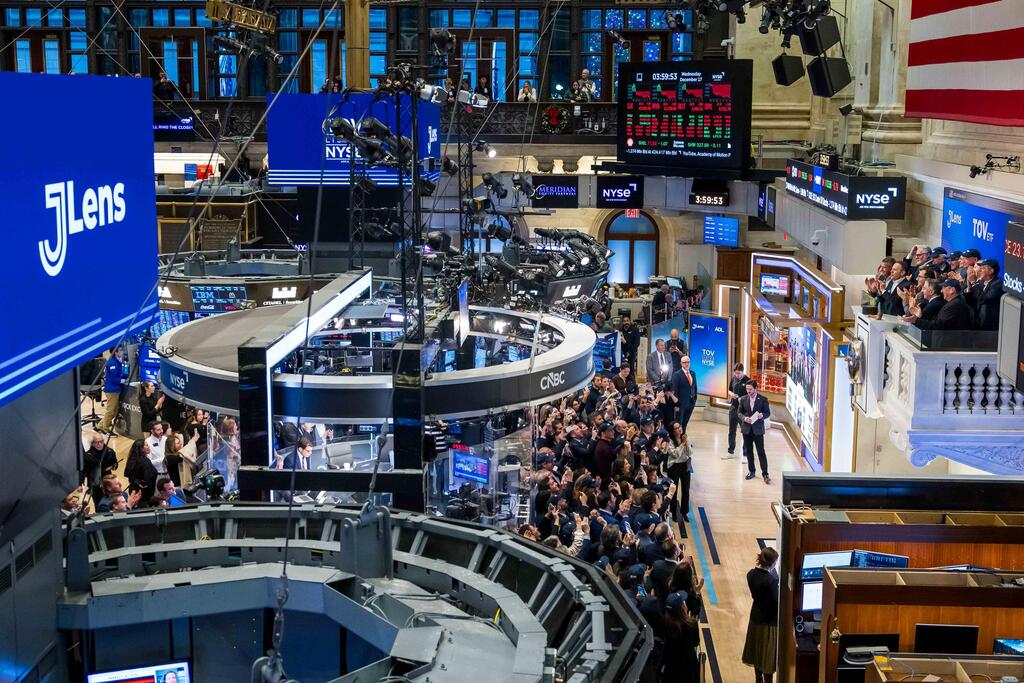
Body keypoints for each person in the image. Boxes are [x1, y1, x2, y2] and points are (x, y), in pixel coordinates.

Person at [743, 547, 780, 683]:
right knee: (767, 656)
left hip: (755, 617)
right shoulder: (771, 581)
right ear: (772, 563)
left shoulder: (751, 574)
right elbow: (776, 603)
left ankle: (758, 679)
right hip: (769, 622)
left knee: (757, 653)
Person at [660, 590, 701, 682]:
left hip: (670, 667)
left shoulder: (664, 622)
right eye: (683, 602)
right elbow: (696, 642)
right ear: (682, 608)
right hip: (688, 667)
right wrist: (689, 618)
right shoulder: (691, 624)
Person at [738, 381, 771, 483]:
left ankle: (765, 474)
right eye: (747, 389)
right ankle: (751, 471)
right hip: (747, 430)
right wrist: (745, 418)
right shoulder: (743, 399)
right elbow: (739, 412)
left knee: (761, 452)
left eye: (750, 389)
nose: (748, 391)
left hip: (758, 430)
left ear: (756, 388)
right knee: (749, 451)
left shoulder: (763, 399)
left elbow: (767, 413)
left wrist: (762, 416)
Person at [964, 258, 1003, 330]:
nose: (980, 270)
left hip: (989, 326)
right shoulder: (980, 282)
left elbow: (984, 299)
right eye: (980, 268)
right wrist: (969, 286)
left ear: (991, 271)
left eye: (983, 268)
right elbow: (971, 302)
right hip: (977, 322)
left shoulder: (998, 284)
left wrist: (973, 282)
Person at [665, 422, 692, 523]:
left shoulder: (685, 438)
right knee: (673, 490)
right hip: (674, 467)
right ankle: (673, 512)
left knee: (686, 490)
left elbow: (690, 453)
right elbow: (676, 454)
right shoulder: (669, 441)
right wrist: (682, 444)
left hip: (685, 465)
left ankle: (684, 512)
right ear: (673, 431)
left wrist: (686, 443)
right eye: (676, 428)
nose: (680, 429)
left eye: (680, 426)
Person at [97, 346, 125, 433]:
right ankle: (105, 429)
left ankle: (100, 425)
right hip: (112, 390)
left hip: (115, 389)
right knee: (111, 411)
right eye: (121, 350)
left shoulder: (117, 361)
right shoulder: (113, 363)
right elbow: (114, 379)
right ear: (115, 352)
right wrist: (123, 380)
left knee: (114, 411)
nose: (122, 352)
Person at [726, 363, 751, 458]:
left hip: (743, 411)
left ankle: (745, 454)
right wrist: (731, 394)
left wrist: (742, 399)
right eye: (735, 373)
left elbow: (751, 395)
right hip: (733, 408)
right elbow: (729, 390)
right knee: (731, 431)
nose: (737, 375)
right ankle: (730, 451)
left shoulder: (748, 381)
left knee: (745, 432)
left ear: (743, 371)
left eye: (739, 373)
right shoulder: (733, 378)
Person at [83, 433, 118, 501]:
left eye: (101, 441)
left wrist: (112, 467)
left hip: (108, 481)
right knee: (98, 502)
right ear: (92, 443)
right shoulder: (87, 456)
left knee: (110, 501)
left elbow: (115, 464)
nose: (100, 444)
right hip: (95, 484)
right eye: (97, 442)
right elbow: (85, 472)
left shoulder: (110, 452)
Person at [671, 356, 698, 433]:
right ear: (681, 363)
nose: (687, 364)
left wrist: (695, 398)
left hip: (691, 402)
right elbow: (674, 390)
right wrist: (676, 404)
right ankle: (677, 438)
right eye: (684, 362)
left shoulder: (693, 373)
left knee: (685, 422)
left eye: (688, 362)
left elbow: (694, 387)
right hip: (680, 403)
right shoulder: (677, 374)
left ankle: (683, 437)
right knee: (679, 423)